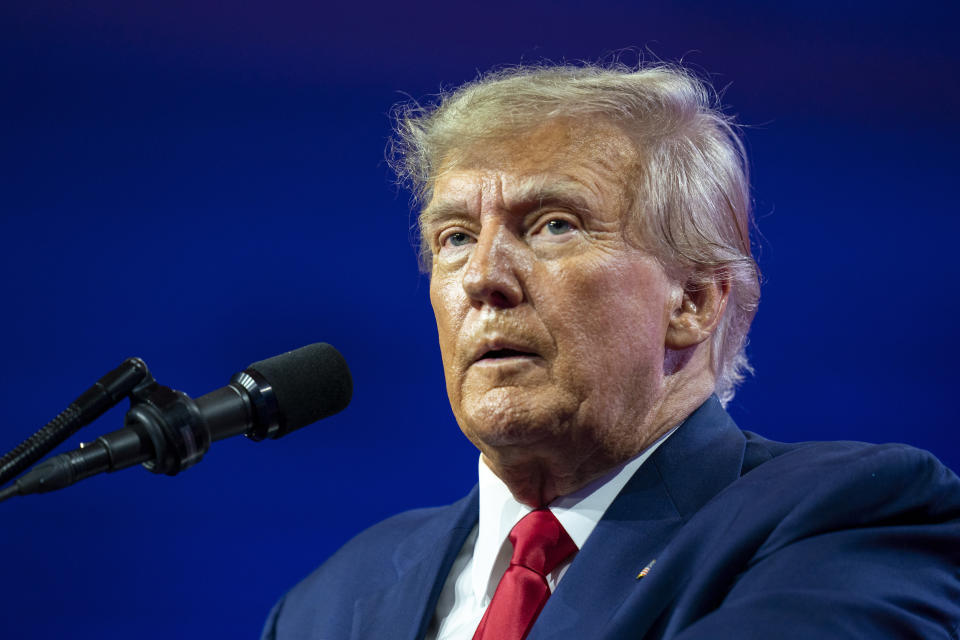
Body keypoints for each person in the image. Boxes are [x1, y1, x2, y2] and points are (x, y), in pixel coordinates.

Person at [261, 63, 960, 639]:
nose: (482, 278)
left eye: (553, 225)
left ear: (692, 301)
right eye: (455, 238)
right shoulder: (326, 606)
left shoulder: (847, 520)